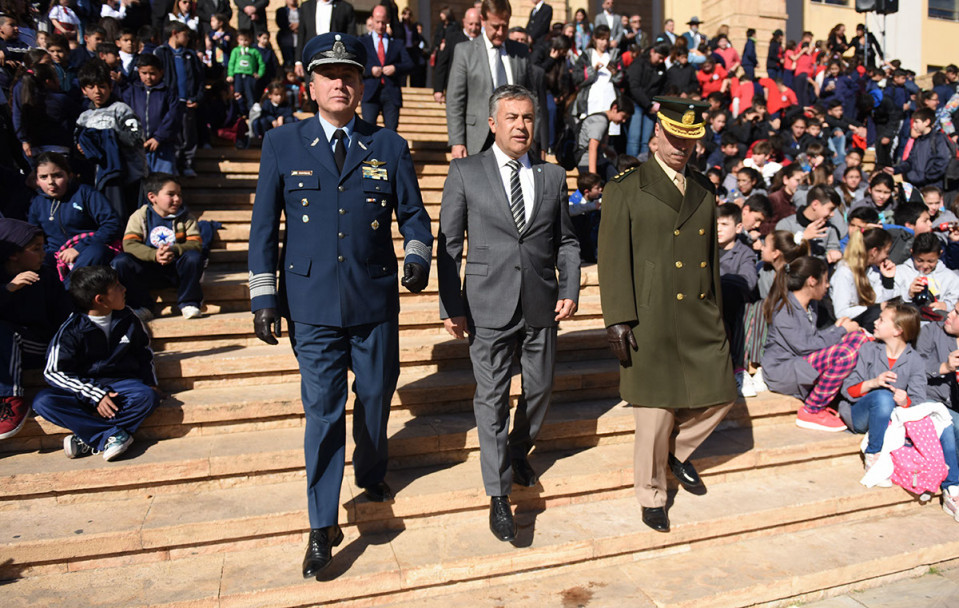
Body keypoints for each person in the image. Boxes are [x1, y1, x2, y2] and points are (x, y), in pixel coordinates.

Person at [247, 32, 432, 578]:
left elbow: (415, 217)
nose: (340, 83)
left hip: (373, 299)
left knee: (375, 396)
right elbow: (263, 229)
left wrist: (417, 256)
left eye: (350, 75)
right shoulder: (283, 144)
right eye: (330, 74)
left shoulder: (389, 146)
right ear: (311, 84)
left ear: (362, 83)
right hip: (311, 304)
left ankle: (371, 469)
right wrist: (264, 296)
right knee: (323, 413)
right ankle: (321, 524)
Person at [437, 83, 579, 542]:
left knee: (539, 391)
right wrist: (451, 304)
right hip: (486, 304)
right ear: (493, 123)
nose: (521, 126)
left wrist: (570, 285)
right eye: (512, 118)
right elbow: (448, 245)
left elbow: (568, 241)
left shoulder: (551, 176)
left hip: (541, 301)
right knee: (491, 400)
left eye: (528, 118)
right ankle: (499, 495)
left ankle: (519, 448)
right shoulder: (465, 172)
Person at [598, 96, 737, 533]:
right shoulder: (625, 186)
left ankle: (677, 453)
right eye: (674, 136)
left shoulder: (704, 187)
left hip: (698, 310)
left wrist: (714, 306)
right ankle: (652, 495)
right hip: (650, 314)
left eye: (690, 140)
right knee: (655, 414)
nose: (681, 146)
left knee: (722, 391)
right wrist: (617, 317)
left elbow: (710, 259)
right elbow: (612, 258)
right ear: (656, 132)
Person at [840, 302, 959, 519]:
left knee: (943, 421)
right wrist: (874, 382)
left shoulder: (913, 360)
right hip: (861, 413)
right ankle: (873, 455)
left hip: (890, 420)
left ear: (898, 330)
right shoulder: (868, 349)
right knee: (884, 397)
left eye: (881, 319)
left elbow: (918, 402)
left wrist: (905, 401)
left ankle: (953, 490)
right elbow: (848, 389)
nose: (875, 322)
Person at [32, 265, 159, 462]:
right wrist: (96, 395)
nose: (124, 289)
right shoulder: (71, 329)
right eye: (117, 286)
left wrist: (150, 381)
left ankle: (89, 438)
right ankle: (110, 435)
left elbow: (144, 352)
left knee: (147, 396)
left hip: (121, 386)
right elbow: (53, 372)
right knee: (43, 402)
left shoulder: (128, 317)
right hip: (83, 389)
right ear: (100, 299)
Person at [762, 255, 867, 432]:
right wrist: (840, 331)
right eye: (825, 281)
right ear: (812, 281)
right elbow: (805, 346)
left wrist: (837, 328)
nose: (827, 286)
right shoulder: (784, 309)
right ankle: (812, 409)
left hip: (802, 363)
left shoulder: (810, 307)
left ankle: (847, 393)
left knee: (859, 337)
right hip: (783, 371)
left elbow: (814, 338)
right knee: (845, 354)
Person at [445, 0, 545, 159]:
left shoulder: (520, 52)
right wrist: (457, 141)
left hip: (515, 137)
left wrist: (535, 140)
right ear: (483, 21)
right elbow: (455, 100)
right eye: (495, 26)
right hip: (477, 140)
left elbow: (532, 98)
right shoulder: (465, 52)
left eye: (504, 26)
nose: (500, 32)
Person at [0, 219, 72, 440]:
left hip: (40, 345)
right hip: (6, 350)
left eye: (43, 247)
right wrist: (9, 289)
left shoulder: (47, 277)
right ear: (13, 254)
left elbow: (65, 317)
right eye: (35, 249)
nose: (44, 253)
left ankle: (11, 401)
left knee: (4, 332)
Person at [111, 173, 204, 320]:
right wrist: (154, 255)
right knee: (121, 261)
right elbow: (129, 244)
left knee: (194, 257)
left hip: (175, 270)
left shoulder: (186, 218)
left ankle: (189, 302)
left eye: (179, 194)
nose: (177, 199)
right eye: (171, 195)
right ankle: (142, 306)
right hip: (148, 270)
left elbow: (195, 243)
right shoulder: (140, 216)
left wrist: (173, 250)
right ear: (152, 197)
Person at [27, 152, 121, 277]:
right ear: (37, 181)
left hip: (88, 249)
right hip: (55, 255)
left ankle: (68, 291)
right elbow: (34, 236)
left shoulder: (85, 193)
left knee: (98, 251)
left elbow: (112, 224)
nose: (51, 182)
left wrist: (79, 248)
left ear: (69, 176)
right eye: (44, 177)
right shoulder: (37, 203)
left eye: (57, 175)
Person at [75, 60, 148, 220]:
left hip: (129, 179)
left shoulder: (121, 110)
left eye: (102, 86)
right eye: (91, 87)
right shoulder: (84, 117)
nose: (97, 91)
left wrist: (108, 137)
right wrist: (82, 149)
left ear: (110, 87)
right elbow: (78, 147)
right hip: (99, 180)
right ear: (83, 90)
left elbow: (136, 138)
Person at [154, 21, 204, 178]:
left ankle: (188, 164)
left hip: (187, 102)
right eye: (185, 34)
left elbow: (199, 79)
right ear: (175, 33)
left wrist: (197, 97)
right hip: (169, 103)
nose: (188, 38)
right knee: (172, 135)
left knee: (188, 135)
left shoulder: (190, 56)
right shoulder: (161, 53)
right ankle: (173, 165)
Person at [119, 54, 182, 175]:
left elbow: (173, 116)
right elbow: (125, 115)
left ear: (161, 72)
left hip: (163, 146)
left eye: (152, 73)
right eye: (144, 73)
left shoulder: (168, 93)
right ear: (139, 72)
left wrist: (159, 137)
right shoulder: (132, 91)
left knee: (163, 181)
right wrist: (134, 137)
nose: (148, 77)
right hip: (137, 146)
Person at [831, 228, 896, 329]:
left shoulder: (873, 270)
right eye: (886, 252)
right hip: (846, 325)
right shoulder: (844, 272)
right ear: (874, 252)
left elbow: (880, 301)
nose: (887, 256)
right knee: (875, 313)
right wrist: (872, 308)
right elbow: (841, 312)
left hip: (865, 319)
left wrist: (888, 280)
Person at [360, 5, 412, 132]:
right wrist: (370, 70)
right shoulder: (362, 42)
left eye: (383, 22)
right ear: (371, 19)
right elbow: (357, 65)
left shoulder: (397, 43)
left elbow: (409, 64)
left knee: (391, 132)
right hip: (370, 93)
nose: (380, 26)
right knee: (367, 131)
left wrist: (395, 68)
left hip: (391, 93)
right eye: (377, 22)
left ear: (388, 21)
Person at [774, 185, 842, 263]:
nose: (832, 214)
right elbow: (781, 254)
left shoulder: (830, 229)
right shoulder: (786, 225)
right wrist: (802, 238)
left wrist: (835, 254)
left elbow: (833, 248)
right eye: (831, 209)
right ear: (815, 204)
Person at [895, 232, 959, 312]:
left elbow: (955, 303)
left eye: (931, 261)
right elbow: (890, 302)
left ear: (940, 254)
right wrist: (908, 295)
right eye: (920, 260)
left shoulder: (951, 278)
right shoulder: (899, 273)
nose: (925, 266)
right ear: (912, 253)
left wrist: (946, 306)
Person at [574, 93, 631, 181]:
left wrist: (608, 151)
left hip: (598, 161)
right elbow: (592, 147)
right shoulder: (601, 121)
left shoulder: (603, 119)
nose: (623, 121)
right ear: (614, 108)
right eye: (623, 116)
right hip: (588, 163)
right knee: (617, 183)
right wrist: (592, 176)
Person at [624, 42, 667, 157]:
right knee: (634, 138)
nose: (661, 61)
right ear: (652, 52)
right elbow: (634, 87)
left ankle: (644, 163)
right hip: (637, 104)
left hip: (651, 107)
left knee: (646, 140)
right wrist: (648, 104)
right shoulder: (638, 64)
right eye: (660, 57)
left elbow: (662, 87)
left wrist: (658, 102)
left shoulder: (661, 68)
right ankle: (631, 166)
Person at [292, 0, 356, 77]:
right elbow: (301, 35)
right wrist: (298, 61)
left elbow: (351, 37)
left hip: (335, 59)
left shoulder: (345, 7)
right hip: (312, 58)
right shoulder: (306, 7)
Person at [432, 7, 479, 104]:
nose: (473, 28)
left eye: (477, 24)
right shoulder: (452, 39)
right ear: (464, 22)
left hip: (477, 92)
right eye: (470, 24)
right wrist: (438, 89)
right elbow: (442, 63)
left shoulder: (484, 41)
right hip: (456, 90)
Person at [227, 29, 265, 107]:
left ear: (250, 40)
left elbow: (261, 64)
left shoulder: (254, 51)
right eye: (241, 40)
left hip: (250, 76)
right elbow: (231, 63)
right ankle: (239, 112)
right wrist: (230, 74)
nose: (244, 42)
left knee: (250, 94)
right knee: (237, 94)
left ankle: (251, 113)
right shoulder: (235, 51)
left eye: (246, 40)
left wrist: (260, 74)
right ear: (238, 40)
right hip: (238, 75)